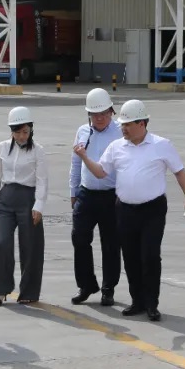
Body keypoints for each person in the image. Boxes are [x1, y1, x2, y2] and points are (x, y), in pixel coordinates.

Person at [74, 99, 185, 321]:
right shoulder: (117, 147)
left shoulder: (161, 145)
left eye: (127, 125)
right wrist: (84, 157)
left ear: (142, 124)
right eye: (122, 124)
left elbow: (179, 172)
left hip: (153, 210)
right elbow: (101, 172)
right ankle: (137, 301)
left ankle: (151, 303)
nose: (123, 128)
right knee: (130, 256)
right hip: (125, 210)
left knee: (150, 256)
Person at [0, 106, 47, 306]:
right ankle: (1, 290)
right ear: (11, 131)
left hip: (28, 199)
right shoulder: (2, 147)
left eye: (25, 132)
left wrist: (38, 205)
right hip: (6, 198)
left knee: (30, 246)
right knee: (2, 243)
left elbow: (42, 180)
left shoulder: (38, 150)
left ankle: (29, 291)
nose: (22, 136)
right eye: (17, 132)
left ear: (31, 130)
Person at [68, 88, 123, 306]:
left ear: (111, 111)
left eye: (103, 113)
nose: (99, 118)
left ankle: (108, 288)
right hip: (86, 193)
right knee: (79, 238)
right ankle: (86, 285)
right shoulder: (82, 131)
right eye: (94, 114)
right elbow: (75, 163)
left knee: (111, 243)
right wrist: (73, 191)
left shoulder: (120, 132)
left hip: (112, 196)